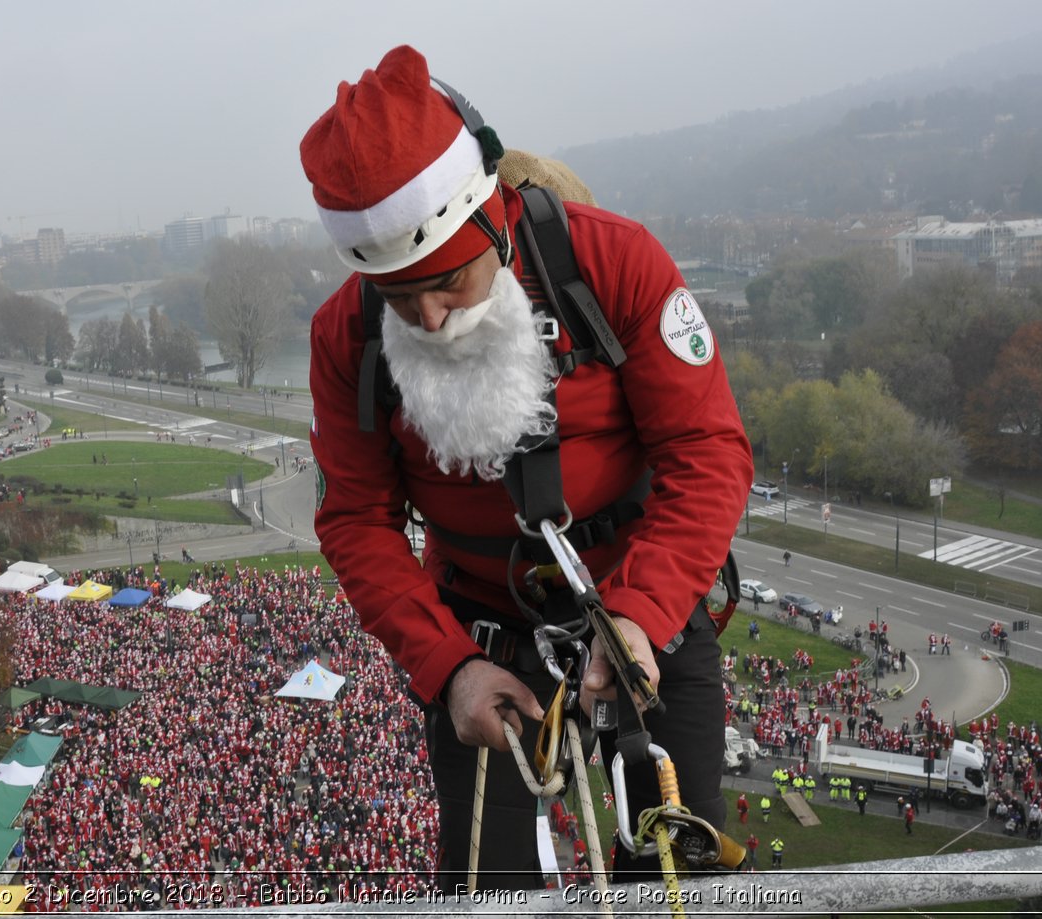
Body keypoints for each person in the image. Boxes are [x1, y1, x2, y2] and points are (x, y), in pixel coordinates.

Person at [302, 45, 752, 893]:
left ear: (494, 217)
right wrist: (449, 668)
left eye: (449, 282)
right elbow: (355, 521)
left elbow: (708, 452)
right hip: (482, 631)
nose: (430, 320)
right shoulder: (347, 339)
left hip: (641, 609)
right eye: (401, 298)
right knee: (483, 889)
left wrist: (645, 615)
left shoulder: (615, 262)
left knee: (675, 882)